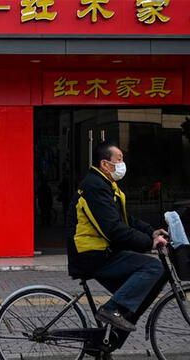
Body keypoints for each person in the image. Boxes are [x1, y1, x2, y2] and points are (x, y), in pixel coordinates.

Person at [66, 141, 168, 347]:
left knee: (151, 283)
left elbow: (125, 219)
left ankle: (105, 341)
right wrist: (149, 243)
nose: (123, 164)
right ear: (105, 164)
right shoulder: (94, 187)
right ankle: (110, 309)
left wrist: (151, 231)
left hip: (100, 252)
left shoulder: (105, 184)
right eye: (119, 159)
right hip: (91, 255)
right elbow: (113, 229)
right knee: (152, 267)